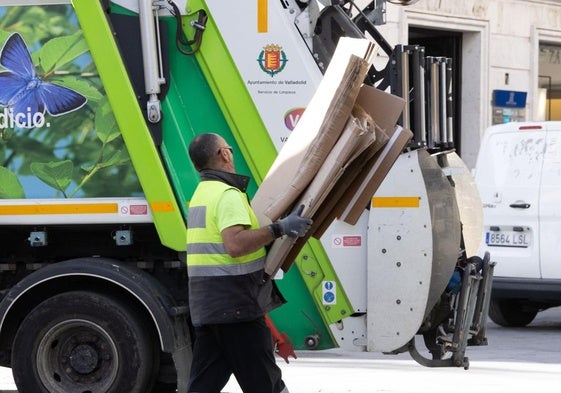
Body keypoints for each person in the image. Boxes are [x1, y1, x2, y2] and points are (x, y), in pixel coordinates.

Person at [186, 133, 312, 393]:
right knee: (265, 384)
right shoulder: (227, 194)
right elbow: (235, 244)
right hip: (236, 308)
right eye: (229, 148)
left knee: (203, 386)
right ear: (224, 154)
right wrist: (279, 229)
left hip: (210, 306)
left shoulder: (202, 193)